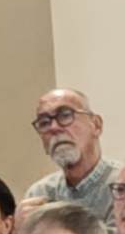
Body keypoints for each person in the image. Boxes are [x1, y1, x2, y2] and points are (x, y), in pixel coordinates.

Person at [21, 87, 114, 217]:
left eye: (65, 115)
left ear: (96, 125)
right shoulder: (39, 194)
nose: (54, 128)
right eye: (44, 122)